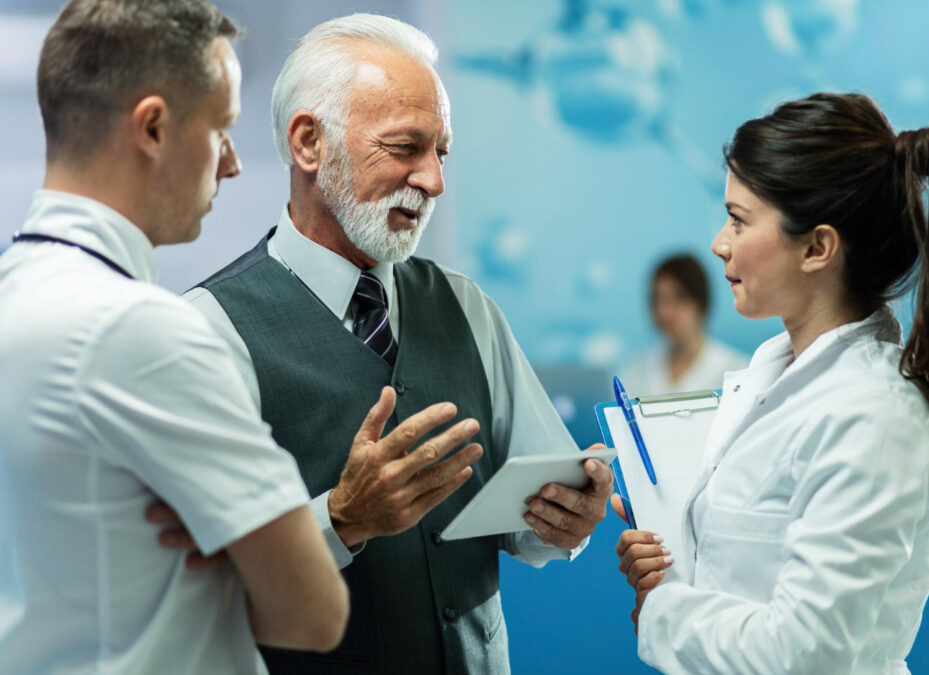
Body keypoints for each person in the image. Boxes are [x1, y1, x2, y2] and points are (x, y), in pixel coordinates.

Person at [180, 14, 613, 674]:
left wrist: (564, 522)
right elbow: (192, 581)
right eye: (406, 147)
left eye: (441, 152)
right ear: (308, 143)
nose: (433, 180)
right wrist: (343, 517)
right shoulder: (206, 331)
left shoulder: (467, 306)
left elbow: (531, 518)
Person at [0, 1, 352, 672]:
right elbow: (313, 608)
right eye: (222, 128)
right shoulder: (142, 332)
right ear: (154, 127)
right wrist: (228, 556)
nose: (233, 163)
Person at [613, 93, 929, 674]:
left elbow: (804, 654)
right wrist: (676, 558)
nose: (720, 242)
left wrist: (667, 610)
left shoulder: (874, 417)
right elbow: (754, 574)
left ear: (818, 247)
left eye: (740, 220)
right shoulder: (778, 377)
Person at [622, 253, 748, 395]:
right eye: (659, 300)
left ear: (700, 302)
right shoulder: (636, 372)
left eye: (678, 298)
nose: (665, 312)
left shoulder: (736, 372)